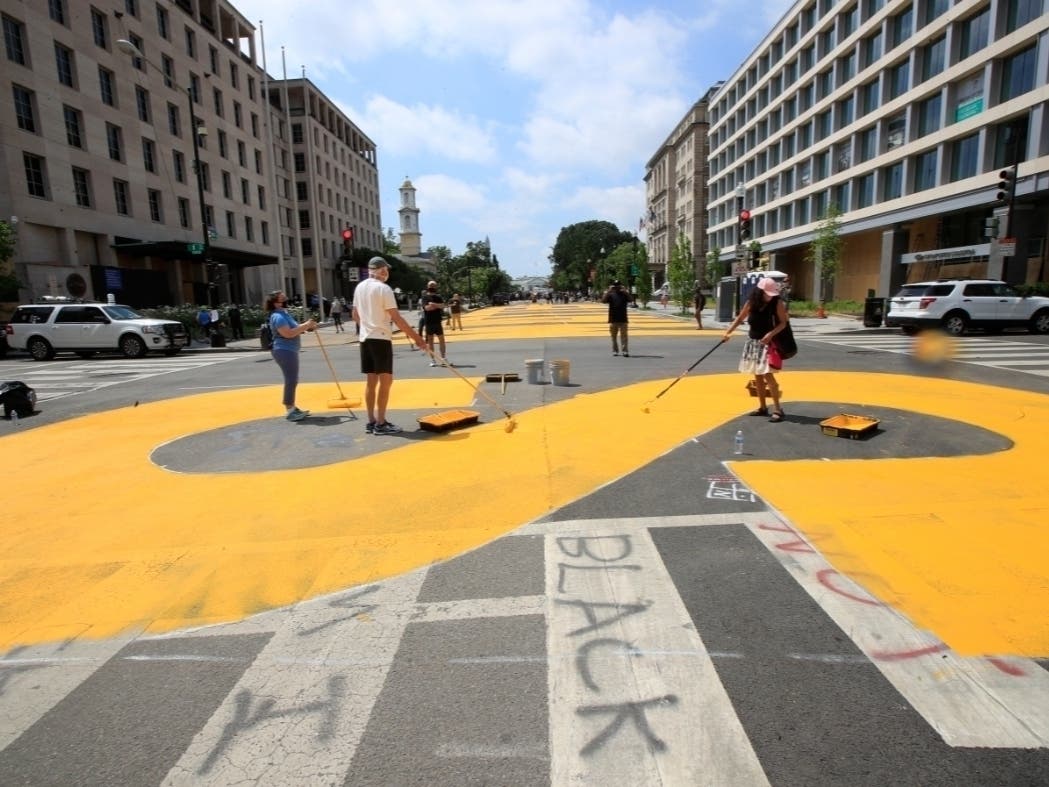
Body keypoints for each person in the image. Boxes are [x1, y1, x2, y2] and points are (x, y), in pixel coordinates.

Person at [352, 257, 426, 434]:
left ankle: (371, 421)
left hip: (365, 338)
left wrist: (367, 326)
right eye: (386, 270)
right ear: (382, 270)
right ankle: (381, 423)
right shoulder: (383, 289)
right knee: (386, 381)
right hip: (381, 338)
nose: (388, 273)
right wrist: (417, 338)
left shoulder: (359, 287)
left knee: (371, 381)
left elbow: (355, 314)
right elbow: (397, 318)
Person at [722, 277, 789, 423]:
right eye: (767, 293)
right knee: (757, 376)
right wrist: (728, 332)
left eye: (771, 293)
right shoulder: (752, 302)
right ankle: (763, 407)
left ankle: (778, 409)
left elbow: (783, 323)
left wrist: (770, 334)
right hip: (753, 343)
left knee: (768, 376)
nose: (770, 296)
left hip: (767, 344)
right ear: (759, 291)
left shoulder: (776, 303)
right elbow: (740, 318)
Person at [265, 290, 318, 422]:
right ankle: (289, 409)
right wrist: (306, 325)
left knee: (292, 379)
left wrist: (307, 327)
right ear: (276, 302)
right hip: (283, 350)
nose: (286, 299)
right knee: (291, 379)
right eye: (282, 298)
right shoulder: (278, 316)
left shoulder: (284, 314)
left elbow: (295, 329)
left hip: (289, 349)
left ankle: (292, 407)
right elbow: (288, 334)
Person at [420, 280, 448, 366]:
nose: (432, 287)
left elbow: (443, 306)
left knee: (441, 340)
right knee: (431, 341)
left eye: (433, 285)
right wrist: (436, 306)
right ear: (427, 286)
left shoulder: (438, 297)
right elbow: (427, 308)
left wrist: (433, 304)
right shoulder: (425, 297)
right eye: (430, 285)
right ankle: (433, 360)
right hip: (428, 322)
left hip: (437, 321)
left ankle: (443, 359)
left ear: (436, 287)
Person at [602, 280, 631, 357]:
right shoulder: (611, 295)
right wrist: (608, 291)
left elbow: (630, 300)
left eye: (618, 286)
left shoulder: (624, 294)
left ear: (621, 286)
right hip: (613, 319)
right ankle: (615, 350)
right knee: (613, 336)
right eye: (615, 286)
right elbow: (603, 301)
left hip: (623, 319)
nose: (617, 288)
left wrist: (626, 291)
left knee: (624, 336)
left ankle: (625, 351)